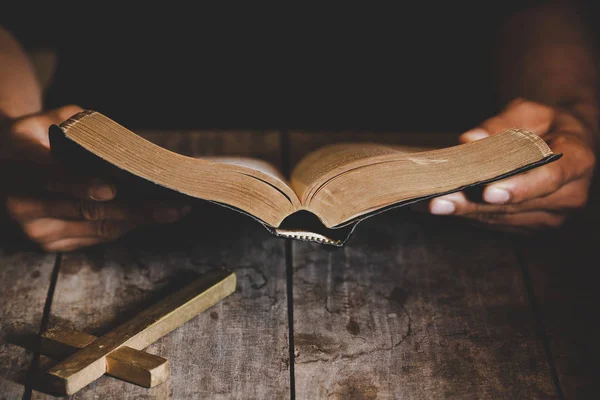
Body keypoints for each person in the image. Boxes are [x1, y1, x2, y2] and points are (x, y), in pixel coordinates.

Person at [0, 3, 597, 251]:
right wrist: (8, 131)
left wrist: (566, 113)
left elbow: (537, 7)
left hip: (445, 189)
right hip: (134, 147)